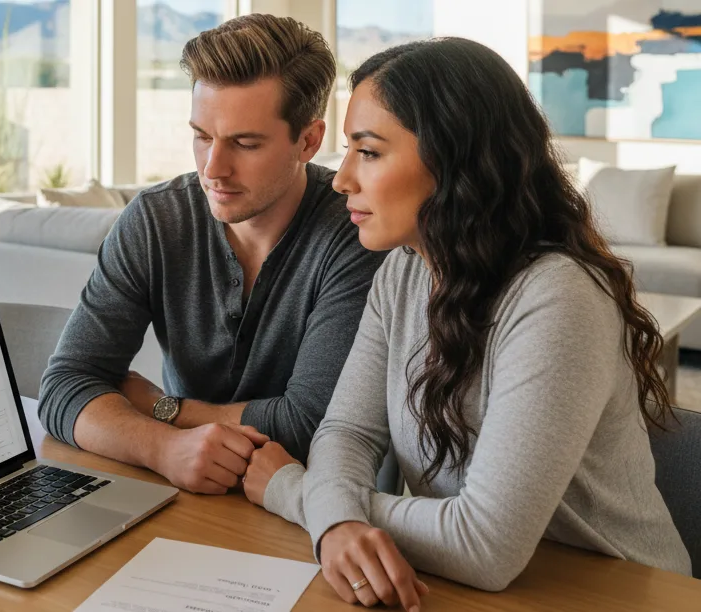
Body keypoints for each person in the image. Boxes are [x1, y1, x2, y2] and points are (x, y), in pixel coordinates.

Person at [242, 37, 692, 609]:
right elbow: (348, 433)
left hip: (618, 594)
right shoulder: (402, 272)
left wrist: (296, 491)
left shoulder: (558, 297)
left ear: (455, 161)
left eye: (371, 152)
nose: (341, 178)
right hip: (468, 589)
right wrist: (336, 523)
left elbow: (484, 545)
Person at [38, 14, 386, 495]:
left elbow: (309, 424)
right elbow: (65, 386)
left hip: (306, 512)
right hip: (175, 497)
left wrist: (163, 408)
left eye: (244, 143)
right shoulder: (156, 220)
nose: (213, 169)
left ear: (308, 140)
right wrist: (162, 448)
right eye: (202, 136)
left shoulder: (356, 232)